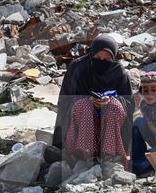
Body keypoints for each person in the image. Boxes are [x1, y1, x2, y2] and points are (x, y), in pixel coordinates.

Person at [52, 34, 134, 172]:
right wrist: (88, 100)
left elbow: (129, 104)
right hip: (81, 121)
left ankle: (108, 155)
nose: (101, 62)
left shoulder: (118, 72)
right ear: (91, 54)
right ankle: (86, 155)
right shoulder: (78, 68)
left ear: (113, 58)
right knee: (85, 106)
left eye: (107, 59)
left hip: (109, 122)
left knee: (114, 106)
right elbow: (65, 101)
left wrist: (110, 100)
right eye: (97, 58)